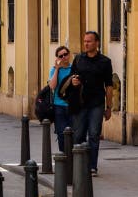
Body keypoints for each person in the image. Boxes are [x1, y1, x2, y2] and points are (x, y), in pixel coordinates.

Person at [66, 31, 113, 176]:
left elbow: (109, 86)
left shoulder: (105, 62)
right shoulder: (79, 59)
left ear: (97, 43)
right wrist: (73, 81)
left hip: (97, 104)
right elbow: (71, 77)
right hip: (80, 103)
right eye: (85, 41)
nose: (86, 43)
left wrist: (109, 107)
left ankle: (92, 166)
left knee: (94, 134)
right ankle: (78, 164)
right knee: (78, 135)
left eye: (89, 41)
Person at [48, 45, 72, 152]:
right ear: (57, 58)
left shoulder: (74, 68)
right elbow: (52, 86)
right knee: (61, 133)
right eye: (60, 56)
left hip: (73, 106)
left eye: (65, 54)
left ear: (69, 55)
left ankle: (74, 157)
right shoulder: (54, 70)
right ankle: (64, 157)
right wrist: (57, 69)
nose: (63, 57)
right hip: (59, 106)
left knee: (74, 133)